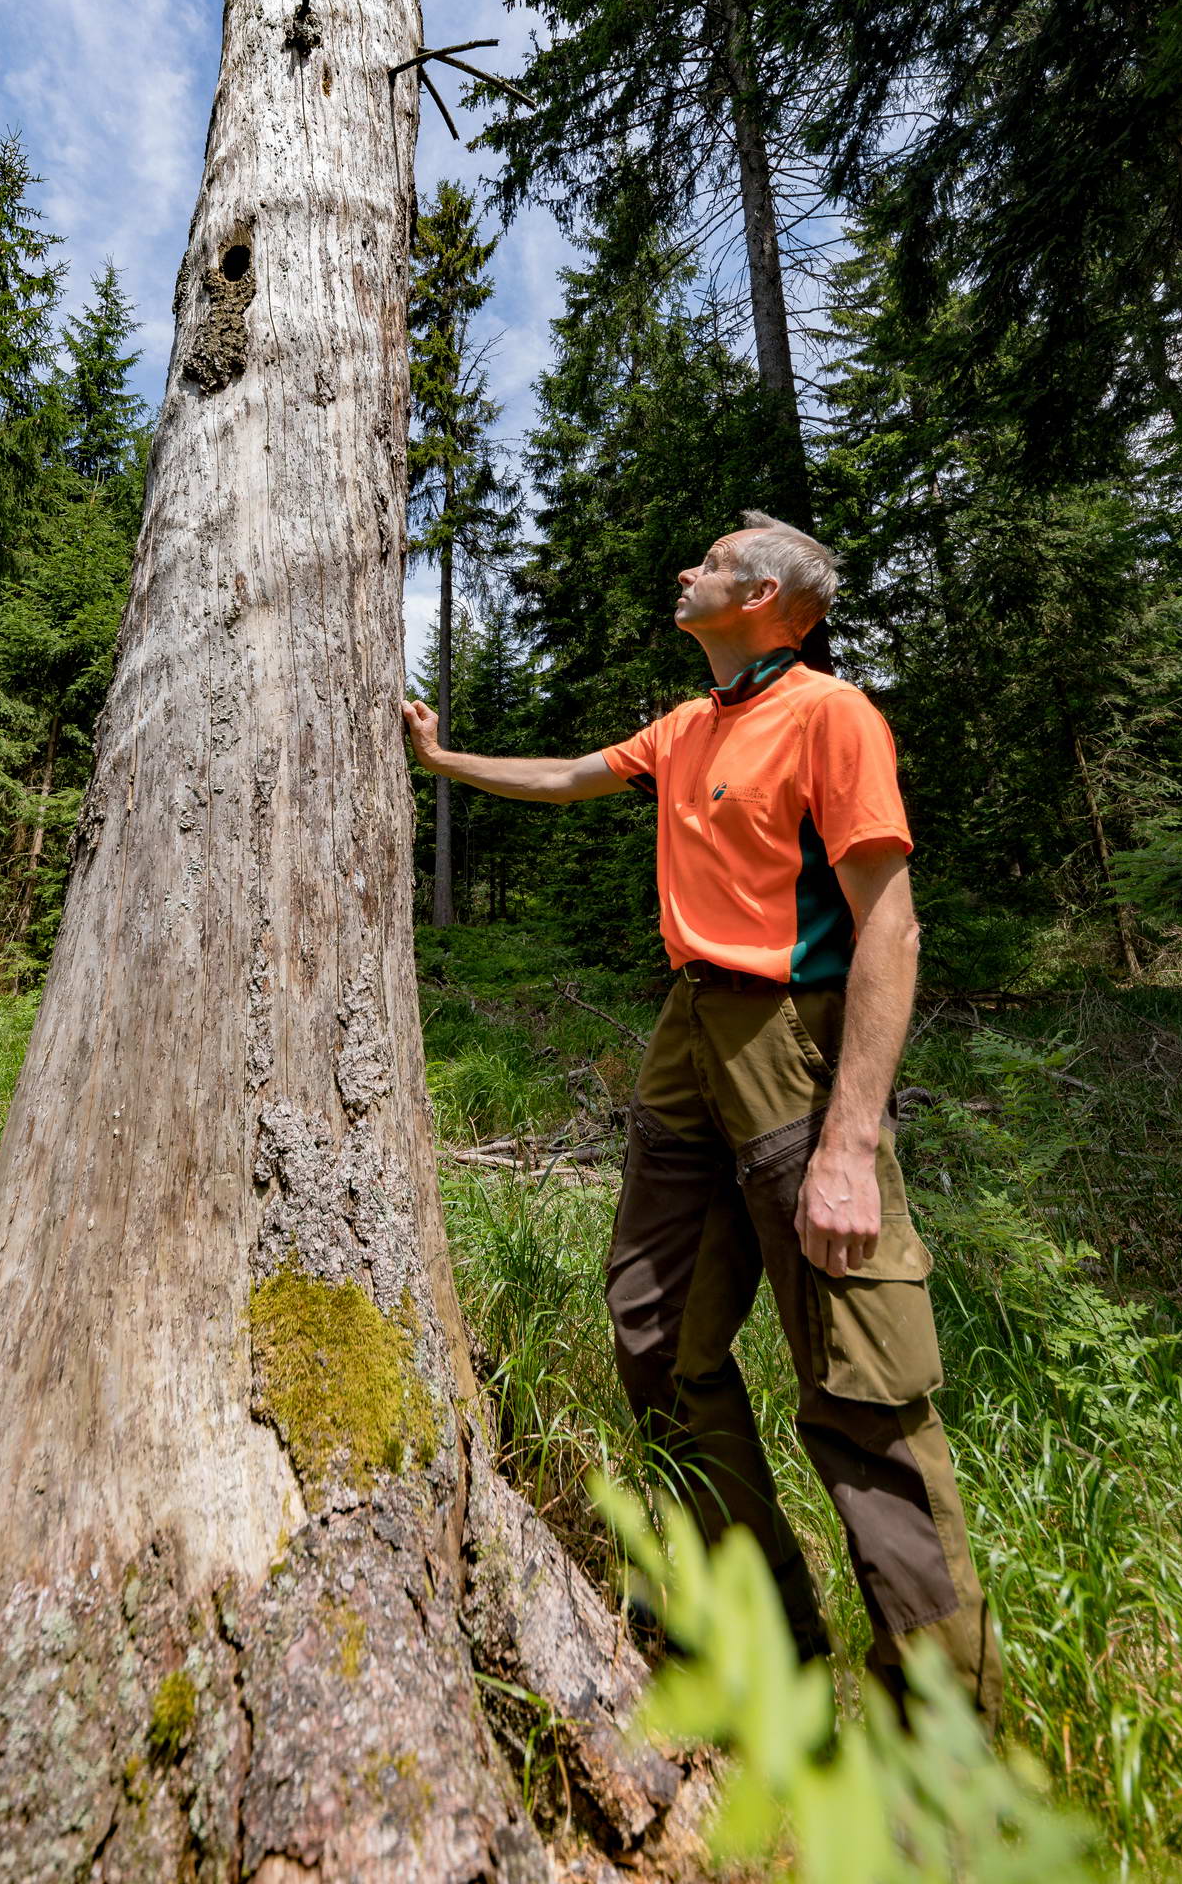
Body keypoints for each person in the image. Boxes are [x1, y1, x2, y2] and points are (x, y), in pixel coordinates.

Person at [401, 510, 1000, 1726]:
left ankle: (944, 1739)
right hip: (688, 1036)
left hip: (793, 1043)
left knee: (860, 1384)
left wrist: (846, 1144)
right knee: (654, 1325)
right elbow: (572, 777)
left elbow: (889, 925)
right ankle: (762, 1632)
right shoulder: (687, 726)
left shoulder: (832, 716)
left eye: (713, 564)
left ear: (770, 599)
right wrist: (441, 763)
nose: (686, 569)